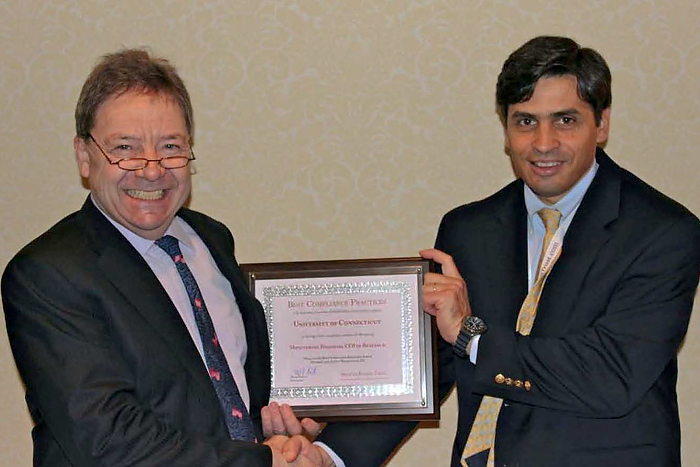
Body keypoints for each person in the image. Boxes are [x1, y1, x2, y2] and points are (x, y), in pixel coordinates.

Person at [315, 36, 700, 466]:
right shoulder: (468, 230)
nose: (543, 143)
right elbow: (423, 369)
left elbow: (610, 376)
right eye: (525, 122)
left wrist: (471, 334)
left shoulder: (663, 232)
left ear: (602, 124)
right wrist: (328, 447)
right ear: (505, 129)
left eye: (566, 120)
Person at [2, 49, 329, 467]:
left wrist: (281, 425)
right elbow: (106, 439)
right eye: (126, 148)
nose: (152, 170)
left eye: (170, 146)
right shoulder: (47, 274)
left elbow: (220, 398)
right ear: (84, 157)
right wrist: (261, 463)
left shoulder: (211, 240)